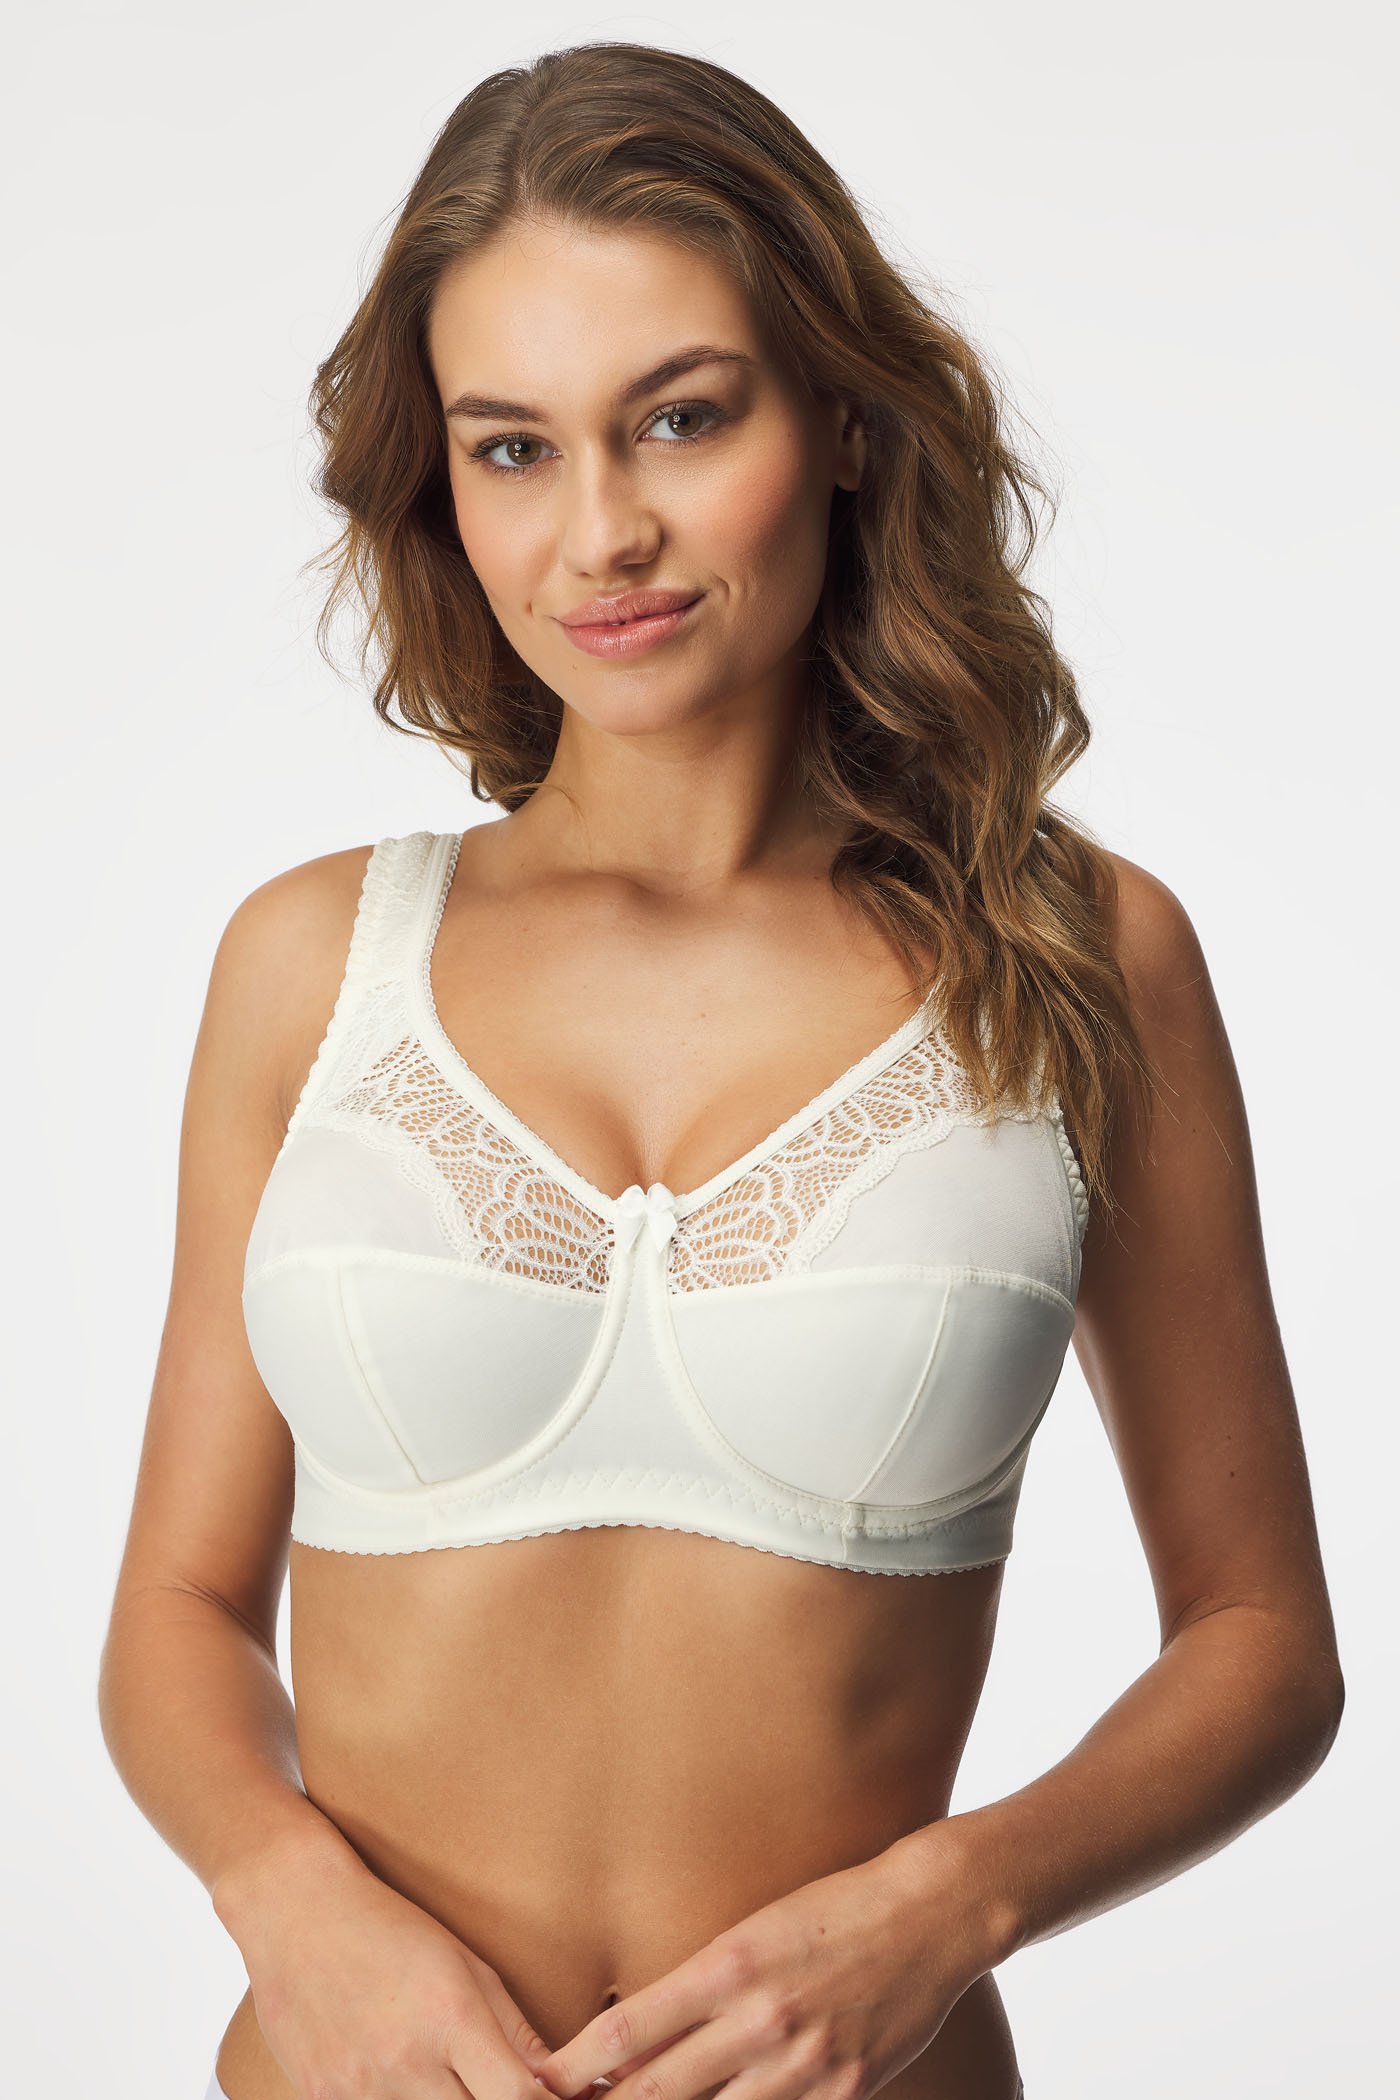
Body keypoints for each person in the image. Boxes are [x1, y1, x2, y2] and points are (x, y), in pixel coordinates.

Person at [97, 40, 1344, 2100]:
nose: (604, 532)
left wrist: (946, 1905)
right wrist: (290, 1903)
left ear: (842, 417)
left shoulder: (1080, 958)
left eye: (681, 418)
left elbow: (1262, 1644)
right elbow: (176, 1605)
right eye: (513, 449)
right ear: (443, 485)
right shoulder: (316, 961)